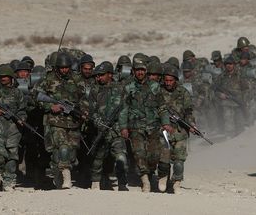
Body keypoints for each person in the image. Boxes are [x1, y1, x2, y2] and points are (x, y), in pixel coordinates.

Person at [119, 58, 173, 192]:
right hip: (136, 127)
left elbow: (162, 107)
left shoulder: (155, 87)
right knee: (139, 153)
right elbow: (124, 109)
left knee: (154, 155)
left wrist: (165, 123)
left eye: (142, 70)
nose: (140, 73)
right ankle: (145, 180)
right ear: (133, 71)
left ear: (146, 71)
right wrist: (123, 127)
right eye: (137, 70)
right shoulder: (128, 88)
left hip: (153, 126)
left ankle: (150, 173)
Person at [35, 52, 87, 189]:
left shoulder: (78, 79)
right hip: (55, 121)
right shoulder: (48, 79)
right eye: (62, 67)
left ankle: (59, 174)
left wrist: (84, 110)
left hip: (73, 121)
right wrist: (50, 106)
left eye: (67, 67)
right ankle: (66, 177)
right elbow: (37, 97)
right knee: (62, 147)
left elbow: (86, 98)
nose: (64, 70)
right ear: (57, 67)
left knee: (71, 154)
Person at [88, 63, 128, 191]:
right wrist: (96, 120)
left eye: (101, 75)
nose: (98, 78)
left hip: (115, 130)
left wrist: (123, 127)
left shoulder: (121, 89)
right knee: (97, 158)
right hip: (100, 130)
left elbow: (124, 109)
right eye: (97, 75)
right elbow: (90, 109)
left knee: (121, 156)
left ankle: (122, 184)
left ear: (110, 74)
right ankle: (95, 183)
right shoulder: (94, 90)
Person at [158, 65, 195, 194]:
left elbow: (189, 111)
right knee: (164, 159)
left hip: (180, 131)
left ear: (176, 80)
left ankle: (177, 183)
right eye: (166, 80)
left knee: (179, 160)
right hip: (163, 130)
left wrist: (191, 124)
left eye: (171, 80)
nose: (168, 83)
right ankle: (163, 179)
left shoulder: (183, 92)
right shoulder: (158, 91)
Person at [0, 65, 26, 191]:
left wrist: (22, 119)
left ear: (11, 78)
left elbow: (22, 110)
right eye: (1, 77)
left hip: (13, 128)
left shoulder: (18, 93)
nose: (4, 79)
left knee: (12, 155)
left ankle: (9, 181)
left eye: (6, 76)